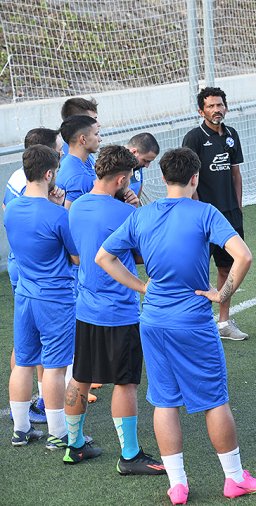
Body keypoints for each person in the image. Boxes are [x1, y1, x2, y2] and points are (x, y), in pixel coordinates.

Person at [96, 147, 256, 504]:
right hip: (192, 321)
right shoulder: (205, 212)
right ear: (195, 178)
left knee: (165, 401)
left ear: (162, 178)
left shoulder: (140, 216)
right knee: (215, 400)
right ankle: (234, 478)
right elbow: (244, 255)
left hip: (153, 320)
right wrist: (222, 294)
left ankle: (177, 485)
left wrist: (142, 287)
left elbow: (103, 257)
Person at [63, 145, 165, 474]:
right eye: (130, 179)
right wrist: (133, 209)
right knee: (125, 382)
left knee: (81, 375)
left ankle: (74, 445)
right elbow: (141, 255)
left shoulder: (76, 206)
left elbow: (82, 250)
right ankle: (131, 456)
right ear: (121, 178)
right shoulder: (125, 214)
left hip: (85, 307)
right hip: (119, 309)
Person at [4, 145, 77, 449]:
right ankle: (59, 435)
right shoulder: (58, 214)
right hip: (56, 298)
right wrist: (60, 207)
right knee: (56, 367)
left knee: (23, 361)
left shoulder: (10, 210)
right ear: (49, 174)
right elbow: (75, 258)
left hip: (25, 295)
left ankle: (20, 430)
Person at [182, 87, 248, 341]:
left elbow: (236, 174)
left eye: (220, 105)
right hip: (203, 216)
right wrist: (198, 209)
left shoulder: (232, 135)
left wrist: (238, 207)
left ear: (226, 107)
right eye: (210, 106)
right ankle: (195, 322)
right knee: (196, 268)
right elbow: (189, 178)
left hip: (229, 215)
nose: (216, 110)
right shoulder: (194, 138)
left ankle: (223, 323)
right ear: (201, 111)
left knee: (228, 267)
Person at [56, 115, 101, 208]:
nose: (100, 139)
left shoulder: (68, 162)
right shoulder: (79, 177)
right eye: (96, 134)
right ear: (83, 139)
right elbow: (72, 216)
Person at [126, 132, 161, 201]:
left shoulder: (137, 166)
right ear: (134, 152)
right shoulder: (111, 168)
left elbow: (137, 197)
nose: (147, 166)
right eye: (145, 160)